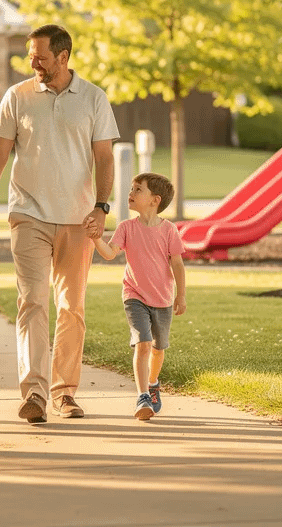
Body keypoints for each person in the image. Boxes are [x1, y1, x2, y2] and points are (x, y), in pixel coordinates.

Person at [0, 24, 118, 424]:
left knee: (72, 307)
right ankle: (33, 392)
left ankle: (64, 393)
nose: (33, 62)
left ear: (63, 57)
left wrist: (101, 207)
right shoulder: (18, 97)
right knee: (32, 301)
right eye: (31, 55)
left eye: (41, 56)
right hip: (27, 213)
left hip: (78, 219)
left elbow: (104, 157)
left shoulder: (94, 99)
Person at [91, 172, 187, 420]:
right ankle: (142, 395)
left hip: (163, 299)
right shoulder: (126, 227)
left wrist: (181, 296)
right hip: (134, 295)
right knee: (143, 344)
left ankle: (153, 383)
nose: (131, 194)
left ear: (155, 200)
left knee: (157, 348)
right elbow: (110, 254)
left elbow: (177, 264)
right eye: (131, 189)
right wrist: (95, 238)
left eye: (137, 190)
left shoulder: (168, 230)